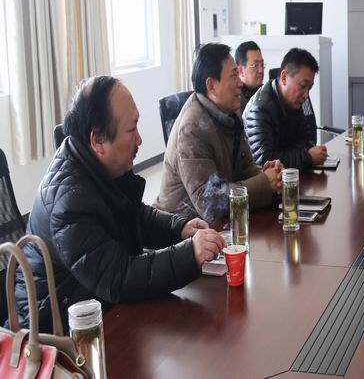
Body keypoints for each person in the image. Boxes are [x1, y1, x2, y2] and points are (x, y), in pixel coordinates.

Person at [16, 77, 226, 333]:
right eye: (131, 129)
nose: (139, 139)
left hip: (95, 301)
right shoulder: (69, 202)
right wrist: (189, 254)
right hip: (56, 330)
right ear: (97, 141)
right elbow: (117, 278)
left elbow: (134, 214)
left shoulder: (98, 164)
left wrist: (179, 228)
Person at [155, 43, 282, 222]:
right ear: (211, 85)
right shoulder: (191, 129)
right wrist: (264, 183)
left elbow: (244, 166)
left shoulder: (229, 113)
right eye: (233, 76)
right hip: (182, 226)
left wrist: (268, 175)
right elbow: (210, 203)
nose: (240, 83)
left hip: (219, 224)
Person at [244, 47, 328, 170]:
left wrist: (286, 155)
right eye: (303, 86)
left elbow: (308, 140)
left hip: (289, 176)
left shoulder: (294, 102)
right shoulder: (260, 107)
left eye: (309, 88)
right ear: (284, 77)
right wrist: (307, 157)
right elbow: (264, 160)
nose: (306, 95)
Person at [235, 40, 265, 114]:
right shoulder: (235, 100)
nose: (261, 70)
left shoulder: (266, 91)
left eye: (262, 64)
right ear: (241, 70)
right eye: (255, 65)